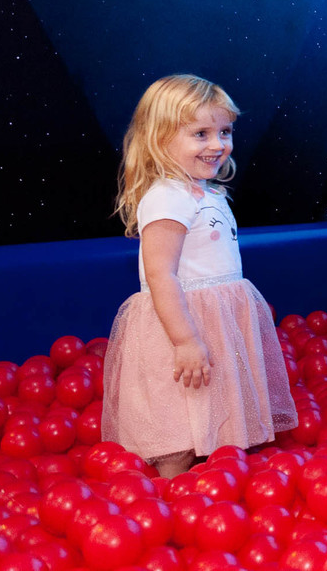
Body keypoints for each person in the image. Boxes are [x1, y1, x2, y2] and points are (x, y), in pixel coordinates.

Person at [102, 74, 297, 478]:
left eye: (224, 132)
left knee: (217, 397)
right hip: (181, 320)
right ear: (159, 139)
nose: (217, 144)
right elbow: (160, 274)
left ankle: (218, 470)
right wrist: (185, 340)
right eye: (200, 134)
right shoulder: (167, 197)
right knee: (178, 407)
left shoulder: (208, 192)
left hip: (216, 317)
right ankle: (171, 485)